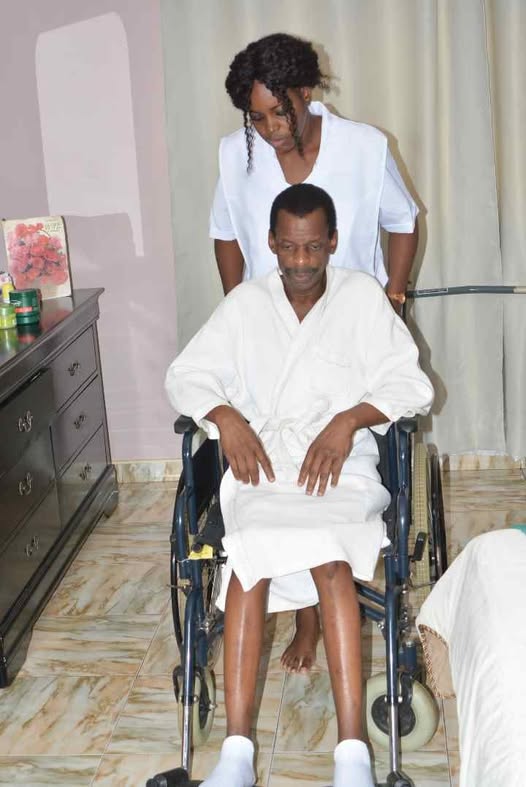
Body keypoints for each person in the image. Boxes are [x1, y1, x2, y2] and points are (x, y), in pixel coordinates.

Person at [166, 184, 433, 787]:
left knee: (332, 562)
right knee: (247, 561)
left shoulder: (361, 298)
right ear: (271, 243)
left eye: (313, 246)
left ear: (333, 242)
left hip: (342, 466)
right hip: (264, 464)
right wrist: (224, 416)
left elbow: (410, 385)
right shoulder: (246, 305)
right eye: (289, 247)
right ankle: (236, 755)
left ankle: (352, 756)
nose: (301, 261)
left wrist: (350, 420)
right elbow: (185, 375)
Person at [210, 32, 420, 672]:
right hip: (272, 340)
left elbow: (402, 220)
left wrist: (392, 298)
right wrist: (240, 310)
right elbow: (224, 233)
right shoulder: (236, 154)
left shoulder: (363, 146)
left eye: (282, 112)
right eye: (256, 117)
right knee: (274, 474)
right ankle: (302, 614)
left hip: (347, 339)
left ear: (306, 92)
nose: (271, 129)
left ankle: (319, 611)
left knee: (329, 473)